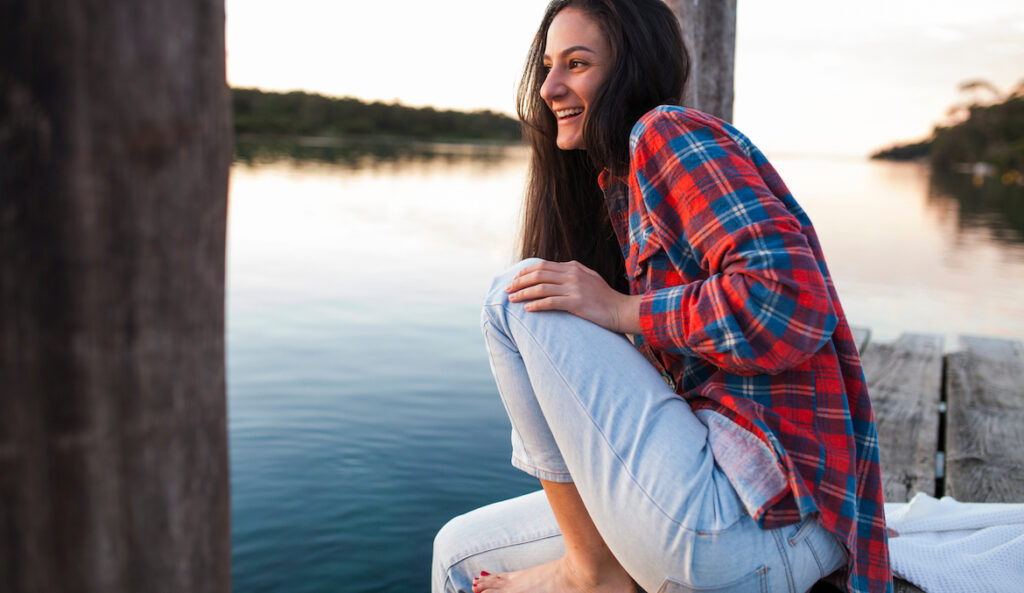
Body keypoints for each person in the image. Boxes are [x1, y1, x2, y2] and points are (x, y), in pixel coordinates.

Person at [432, 1, 892, 592]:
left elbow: (789, 303)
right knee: (457, 556)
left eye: (576, 63)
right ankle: (592, 563)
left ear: (629, 69)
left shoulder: (666, 132)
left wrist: (623, 310)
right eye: (548, 65)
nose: (549, 87)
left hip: (764, 521)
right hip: (728, 517)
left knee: (515, 297)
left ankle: (591, 570)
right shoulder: (616, 186)